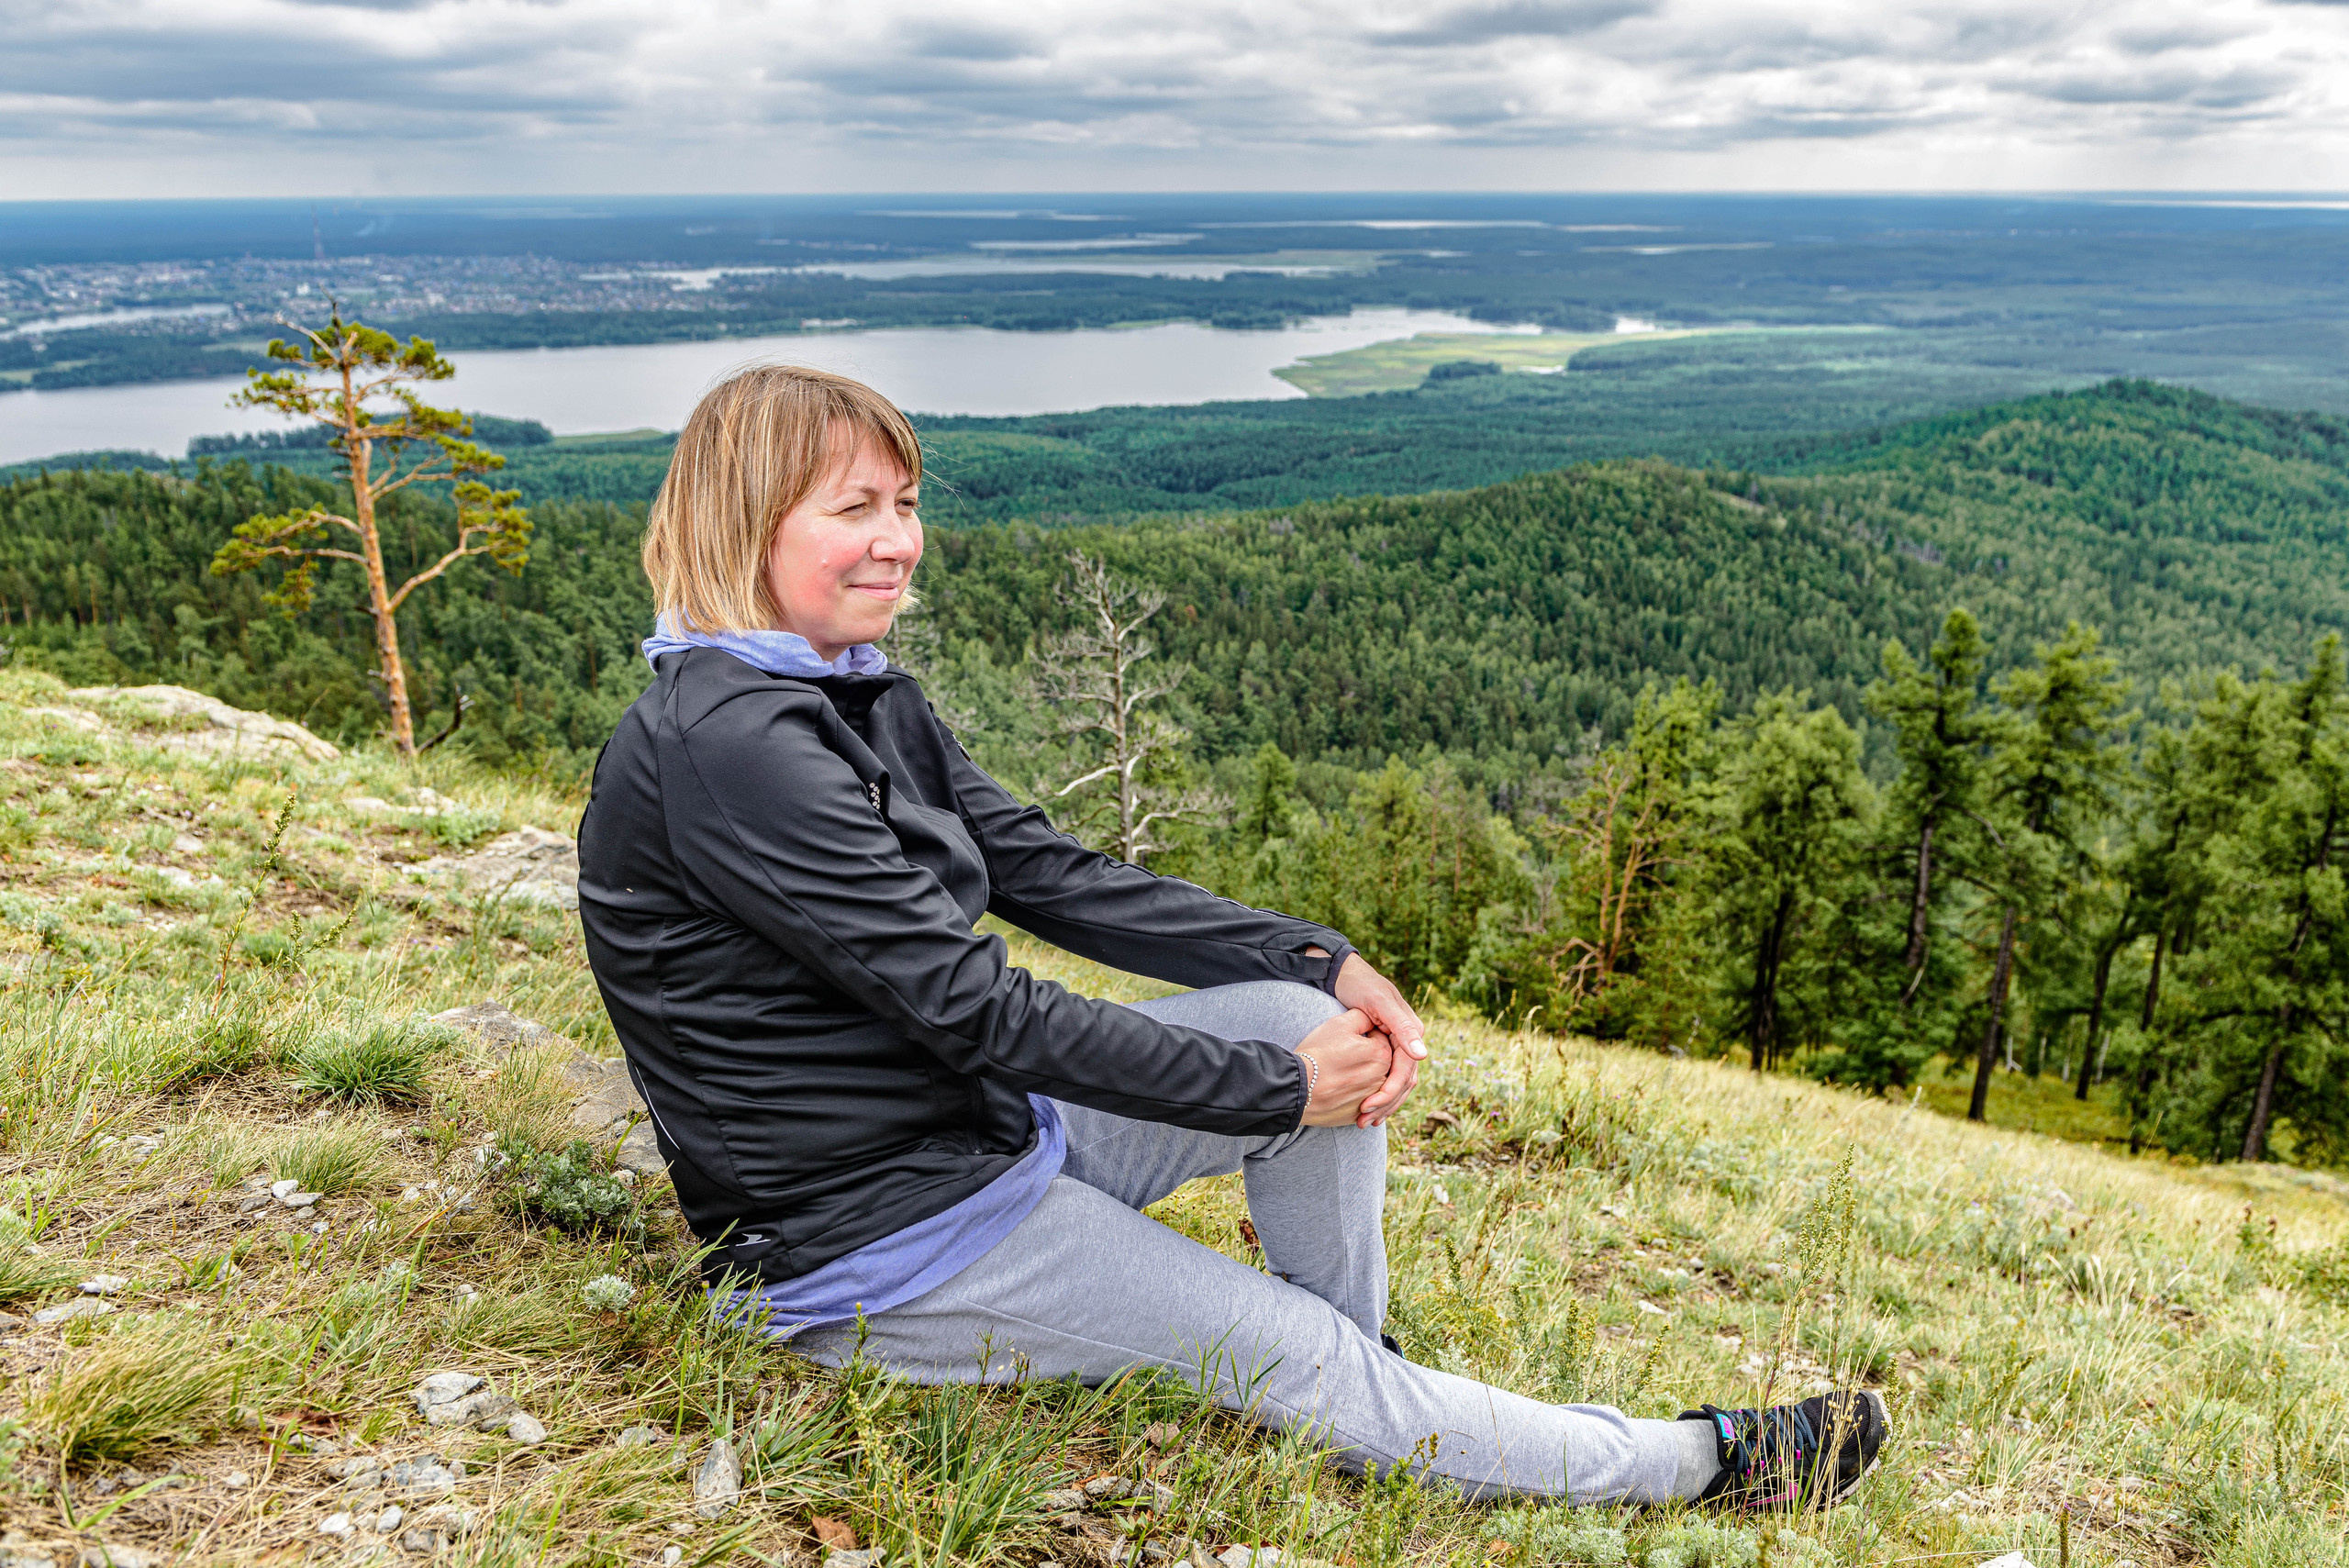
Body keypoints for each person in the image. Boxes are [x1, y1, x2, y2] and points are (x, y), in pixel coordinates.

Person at [575, 364, 1887, 1509]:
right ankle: (1697, 1463)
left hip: (980, 1136)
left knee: (1307, 1030)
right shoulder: (731, 746)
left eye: (906, 503)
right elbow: (975, 1009)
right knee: (1298, 1295)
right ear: (746, 522)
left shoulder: (846, 693)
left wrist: (1313, 959)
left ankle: (1366, 1390)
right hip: (876, 1241)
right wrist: (1273, 1091)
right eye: (853, 508)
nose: (897, 541)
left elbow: (1046, 871)